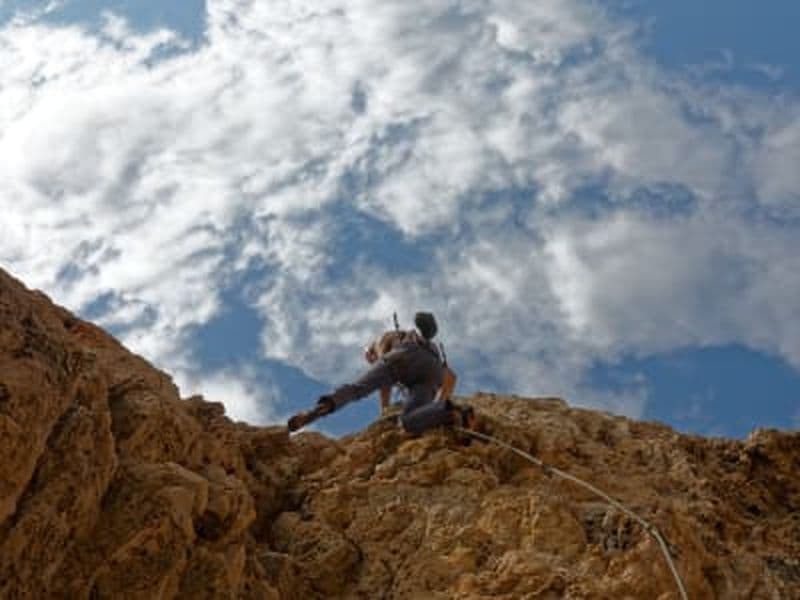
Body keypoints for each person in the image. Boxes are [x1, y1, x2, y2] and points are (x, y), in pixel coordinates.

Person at [287, 312, 474, 434]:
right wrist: (438, 404)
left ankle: (316, 411)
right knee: (409, 420)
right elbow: (451, 377)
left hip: (405, 357)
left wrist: (384, 410)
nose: (371, 363)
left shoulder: (384, 341)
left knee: (356, 390)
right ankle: (452, 411)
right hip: (431, 374)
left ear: (370, 354)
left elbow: (385, 381)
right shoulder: (431, 348)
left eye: (370, 359)